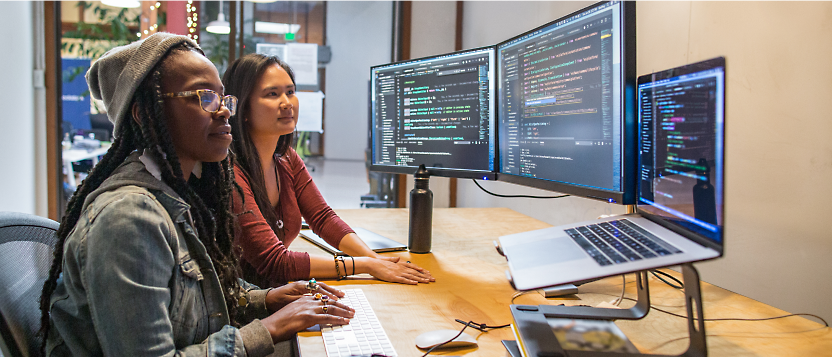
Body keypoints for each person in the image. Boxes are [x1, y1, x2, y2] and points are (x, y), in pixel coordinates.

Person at [38, 33, 353, 357]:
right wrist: (271, 326)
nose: (224, 111)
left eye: (222, 98)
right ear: (145, 113)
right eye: (204, 97)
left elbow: (202, 295)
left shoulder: (183, 192)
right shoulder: (128, 218)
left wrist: (268, 298)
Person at [222, 54, 435, 286]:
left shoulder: (286, 159)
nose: (287, 103)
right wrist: (366, 265)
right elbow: (276, 263)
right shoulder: (230, 173)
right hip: (240, 306)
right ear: (243, 108)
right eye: (272, 94)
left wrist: (375, 260)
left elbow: (323, 218)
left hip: (274, 293)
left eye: (290, 92)